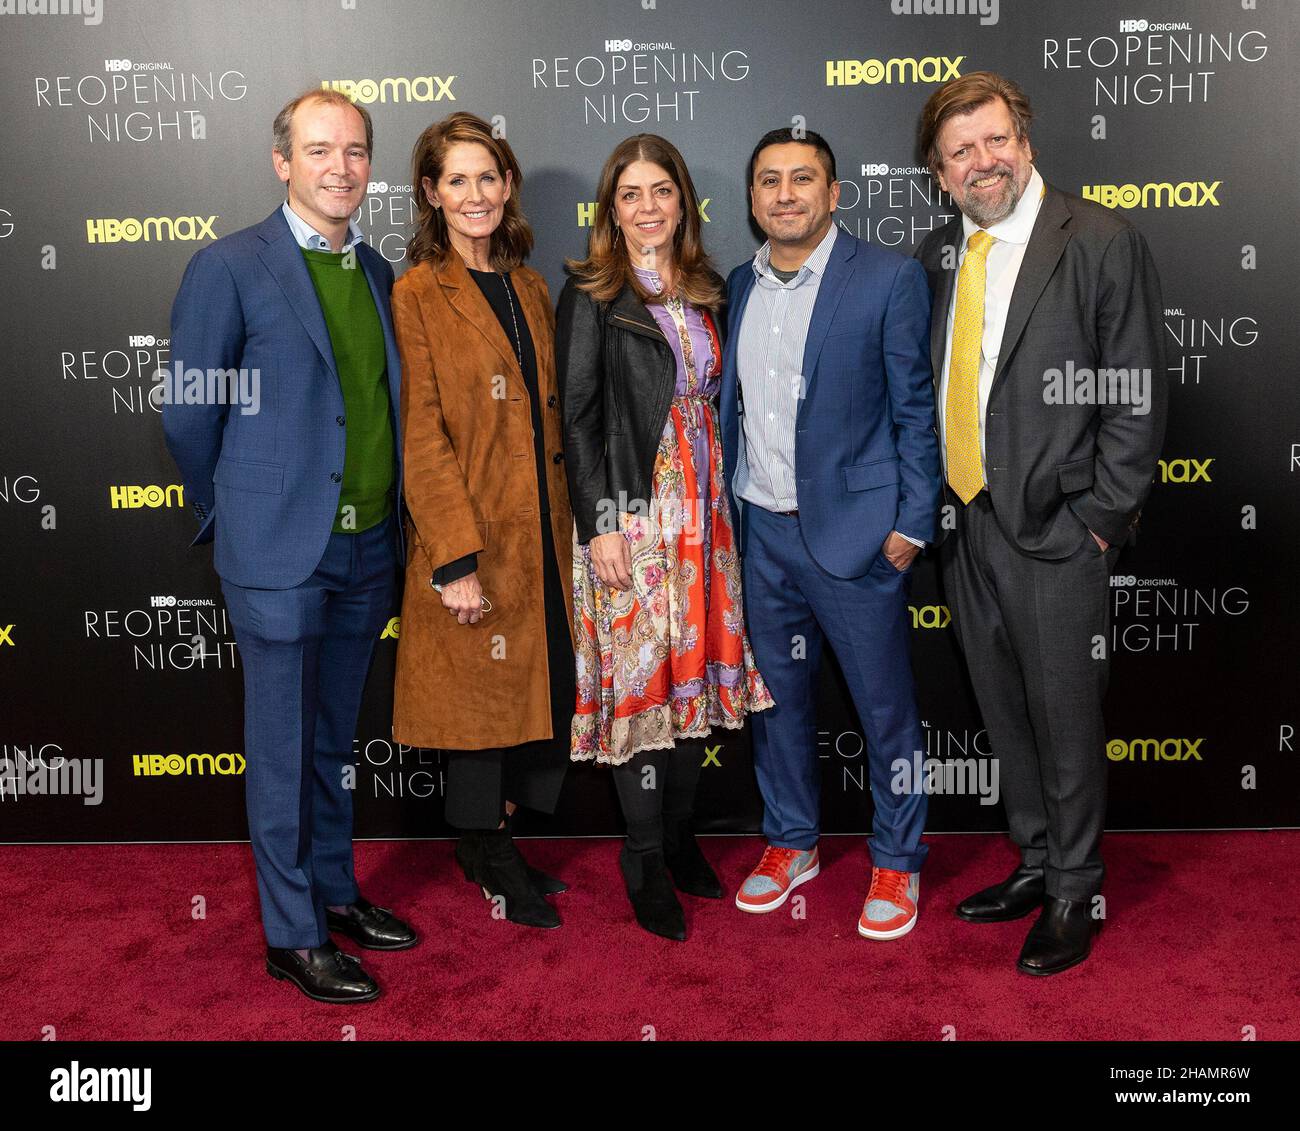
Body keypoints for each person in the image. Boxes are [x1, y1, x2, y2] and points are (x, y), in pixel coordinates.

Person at [164, 88, 416, 1005]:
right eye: (319, 151)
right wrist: (233, 509)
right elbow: (189, 410)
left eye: (354, 151)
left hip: (367, 552)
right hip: (276, 552)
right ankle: (292, 934)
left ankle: (336, 893)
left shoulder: (381, 270)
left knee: (331, 742)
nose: (340, 167)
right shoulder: (229, 266)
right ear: (282, 162)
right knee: (279, 747)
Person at [914, 72, 1166, 974]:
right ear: (940, 175)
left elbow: (1131, 394)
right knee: (1005, 712)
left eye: (995, 140)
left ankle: (1074, 887)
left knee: (1063, 716)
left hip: (1059, 527)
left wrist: (1099, 518)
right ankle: (1034, 859)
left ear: (1023, 139)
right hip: (967, 522)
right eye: (960, 152)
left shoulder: (1098, 239)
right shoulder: (942, 252)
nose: (983, 162)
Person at [723, 128, 940, 940]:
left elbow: (914, 409)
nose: (786, 193)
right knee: (776, 703)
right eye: (770, 179)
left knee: (886, 710)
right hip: (762, 533)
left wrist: (911, 523)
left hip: (857, 537)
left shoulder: (887, 278)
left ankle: (898, 856)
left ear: (834, 193)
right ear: (752, 200)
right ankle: (791, 841)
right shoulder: (737, 287)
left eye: (803, 179)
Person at [556, 134, 773, 941]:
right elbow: (578, 416)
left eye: (661, 191)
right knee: (645, 691)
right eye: (630, 194)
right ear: (610, 210)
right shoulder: (590, 293)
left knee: (694, 687)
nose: (647, 207)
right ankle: (641, 857)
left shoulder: (707, 288)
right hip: (634, 517)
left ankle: (679, 842)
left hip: (704, 521)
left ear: (684, 200)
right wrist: (601, 520)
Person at [390, 112, 575, 930]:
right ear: (430, 193)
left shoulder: (530, 283)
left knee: (530, 686)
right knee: (475, 696)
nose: (475, 195)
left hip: (542, 521)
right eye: (456, 180)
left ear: (508, 186)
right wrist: (453, 556)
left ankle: (494, 836)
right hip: (473, 526)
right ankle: (485, 846)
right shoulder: (416, 292)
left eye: (487, 177)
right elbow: (421, 431)